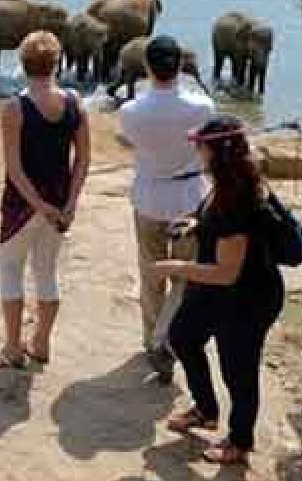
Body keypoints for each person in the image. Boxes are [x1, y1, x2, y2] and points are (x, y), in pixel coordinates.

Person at [157, 116, 284, 465]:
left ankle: (240, 441)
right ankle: (206, 409)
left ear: (214, 150)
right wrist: (196, 224)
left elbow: (228, 272)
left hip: (247, 297)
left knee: (238, 371)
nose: (195, 149)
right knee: (183, 336)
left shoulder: (235, 197)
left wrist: (177, 268)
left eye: (200, 144)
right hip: (218, 289)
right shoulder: (229, 182)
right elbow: (219, 226)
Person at [118, 35, 216, 381]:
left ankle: (152, 340)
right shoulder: (202, 107)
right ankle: (170, 338)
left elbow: (131, 139)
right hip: (189, 198)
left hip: (148, 198)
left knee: (151, 273)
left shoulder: (130, 112)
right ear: (181, 67)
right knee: (185, 275)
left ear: (147, 67)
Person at [0, 31, 90, 368]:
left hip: (24, 203)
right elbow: (83, 159)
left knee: (10, 269)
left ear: (22, 64)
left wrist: (38, 205)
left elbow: (15, 170)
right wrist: (70, 203)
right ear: (57, 63)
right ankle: (41, 342)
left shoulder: (15, 108)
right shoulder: (75, 103)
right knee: (46, 271)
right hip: (60, 200)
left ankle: (12, 346)